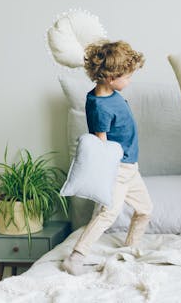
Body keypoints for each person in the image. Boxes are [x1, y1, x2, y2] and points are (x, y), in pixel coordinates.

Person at [62, 40, 153, 275]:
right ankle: (76, 256)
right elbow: (99, 147)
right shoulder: (98, 106)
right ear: (111, 76)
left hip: (131, 166)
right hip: (118, 169)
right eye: (128, 76)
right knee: (108, 214)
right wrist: (108, 177)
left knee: (145, 209)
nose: (130, 80)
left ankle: (130, 249)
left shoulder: (111, 94)